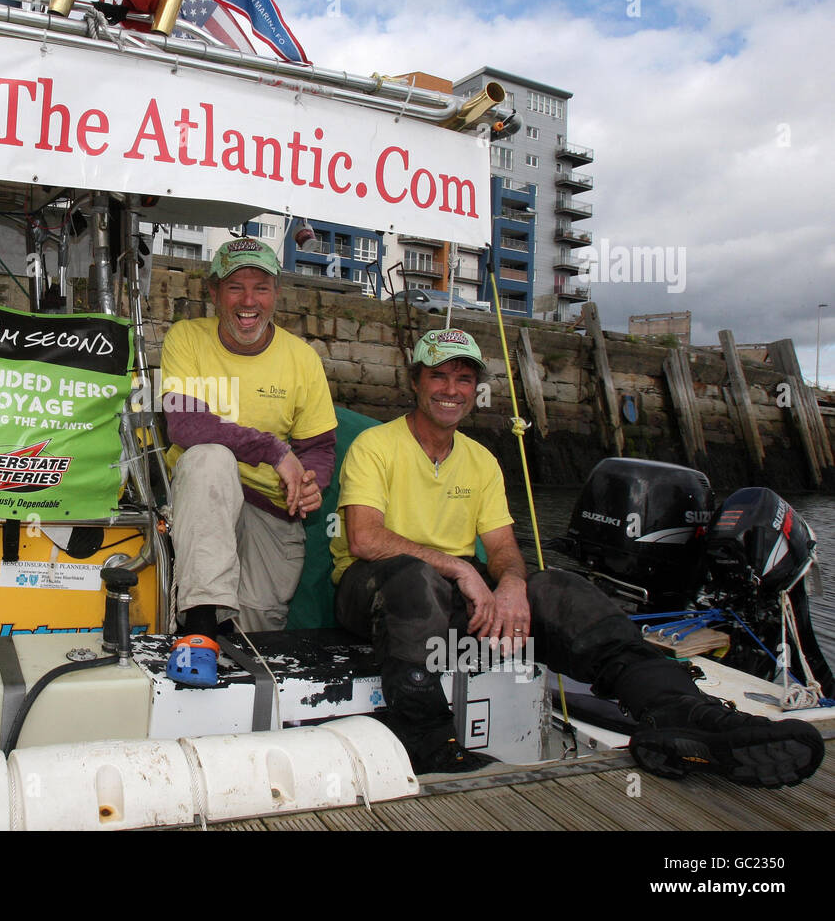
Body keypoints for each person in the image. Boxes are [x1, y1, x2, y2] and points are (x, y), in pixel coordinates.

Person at [330, 327, 824, 786]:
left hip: (452, 596)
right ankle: (427, 743)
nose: (451, 389)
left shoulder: (481, 460)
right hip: (373, 591)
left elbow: (502, 548)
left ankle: (685, 714)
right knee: (415, 580)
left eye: (464, 379)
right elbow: (365, 539)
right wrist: (461, 568)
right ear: (415, 380)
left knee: (560, 588)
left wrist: (512, 585)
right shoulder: (376, 446)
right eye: (438, 375)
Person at [158, 237, 337, 686]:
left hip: (270, 509)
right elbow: (185, 426)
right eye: (235, 287)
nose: (248, 301)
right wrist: (276, 451)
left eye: (261, 287)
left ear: (276, 294)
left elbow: (319, 447)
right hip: (203, 499)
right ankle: (198, 627)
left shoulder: (302, 358)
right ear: (214, 293)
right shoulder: (186, 337)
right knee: (209, 459)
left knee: (256, 636)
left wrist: (311, 481)